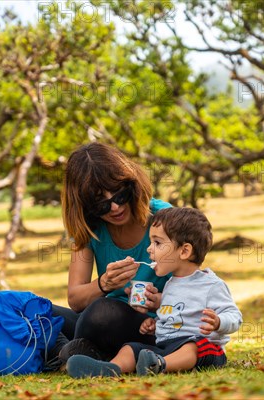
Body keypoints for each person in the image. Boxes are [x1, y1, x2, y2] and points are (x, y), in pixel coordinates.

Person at [65, 207, 243, 377]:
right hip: (166, 345)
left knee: (192, 346)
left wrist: (219, 322)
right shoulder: (172, 284)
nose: (149, 249)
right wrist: (155, 324)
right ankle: (111, 368)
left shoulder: (211, 285)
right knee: (132, 348)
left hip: (205, 349)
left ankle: (160, 365)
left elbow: (234, 315)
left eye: (157, 243)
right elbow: (175, 315)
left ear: (184, 251)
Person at [50, 142, 172, 365]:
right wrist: (104, 284)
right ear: (85, 206)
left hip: (154, 325)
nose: (114, 207)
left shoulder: (165, 217)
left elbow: (195, 285)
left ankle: (73, 352)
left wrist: (160, 302)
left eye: (119, 194)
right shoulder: (90, 229)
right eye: (100, 203)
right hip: (97, 323)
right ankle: (80, 351)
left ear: (131, 184)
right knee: (37, 310)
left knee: (102, 312)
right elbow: (76, 300)